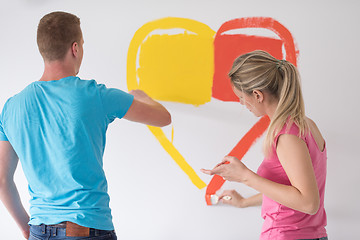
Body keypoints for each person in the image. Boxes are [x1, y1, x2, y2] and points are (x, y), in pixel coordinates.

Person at [0, 11, 171, 240]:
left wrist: (26, 228)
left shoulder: (11, 107)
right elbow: (163, 118)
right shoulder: (94, 95)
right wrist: (141, 96)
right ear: (75, 49)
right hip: (87, 229)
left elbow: (2, 180)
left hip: (39, 230)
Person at [201, 50, 327, 240]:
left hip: (287, 235)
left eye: (242, 97)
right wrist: (244, 202)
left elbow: (309, 203)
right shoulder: (306, 125)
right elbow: (290, 191)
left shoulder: (287, 136)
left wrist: (245, 177)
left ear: (258, 95)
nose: (243, 104)